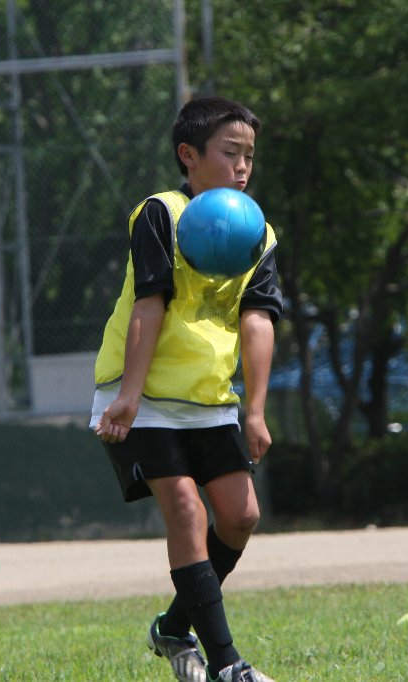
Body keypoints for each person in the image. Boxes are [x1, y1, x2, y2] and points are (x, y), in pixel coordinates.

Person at [90, 96, 281, 682]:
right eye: (230, 152)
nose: (242, 166)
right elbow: (150, 302)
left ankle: (173, 628)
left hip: (208, 398)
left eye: (249, 155)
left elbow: (257, 320)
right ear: (189, 155)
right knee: (185, 507)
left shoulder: (259, 233)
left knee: (240, 516)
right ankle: (227, 665)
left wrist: (255, 411)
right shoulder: (161, 213)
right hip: (144, 395)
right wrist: (128, 396)